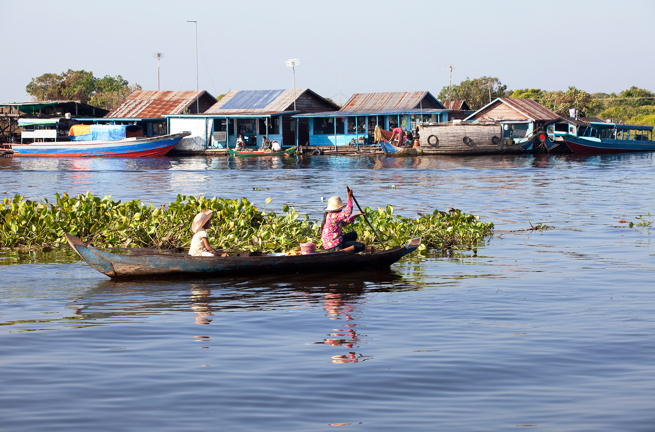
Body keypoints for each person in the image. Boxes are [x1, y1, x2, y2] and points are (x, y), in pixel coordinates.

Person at [320, 186, 365, 253]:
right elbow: (348, 212)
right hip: (334, 246)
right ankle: (340, 252)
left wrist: (357, 215)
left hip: (332, 243)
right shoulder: (334, 216)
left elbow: (344, 222)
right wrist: (349, 196)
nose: (341, 209)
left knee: (353, 234)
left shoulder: (329, 215)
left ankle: (348, 251)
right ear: (338, 208)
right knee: (361, 246)